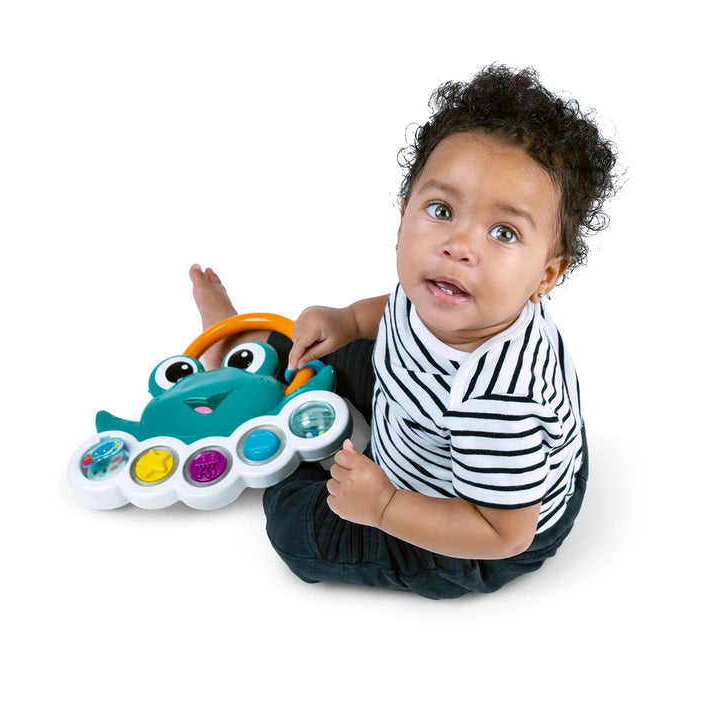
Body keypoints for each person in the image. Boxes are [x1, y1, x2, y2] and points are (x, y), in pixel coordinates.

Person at [190, 65, 618, 599]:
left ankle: (293, 442)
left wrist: (385, 506)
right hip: (423, 408)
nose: (459, 246)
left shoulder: (501, 403)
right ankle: (241, 349)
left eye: (503, 232)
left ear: (546, 277)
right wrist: (348, 319)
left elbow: (505, 533)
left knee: (297, 532)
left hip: (468, 527)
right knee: (320, 346)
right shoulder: (451, 296)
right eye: (441, 210)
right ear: (403, 218)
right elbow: (394, 310)